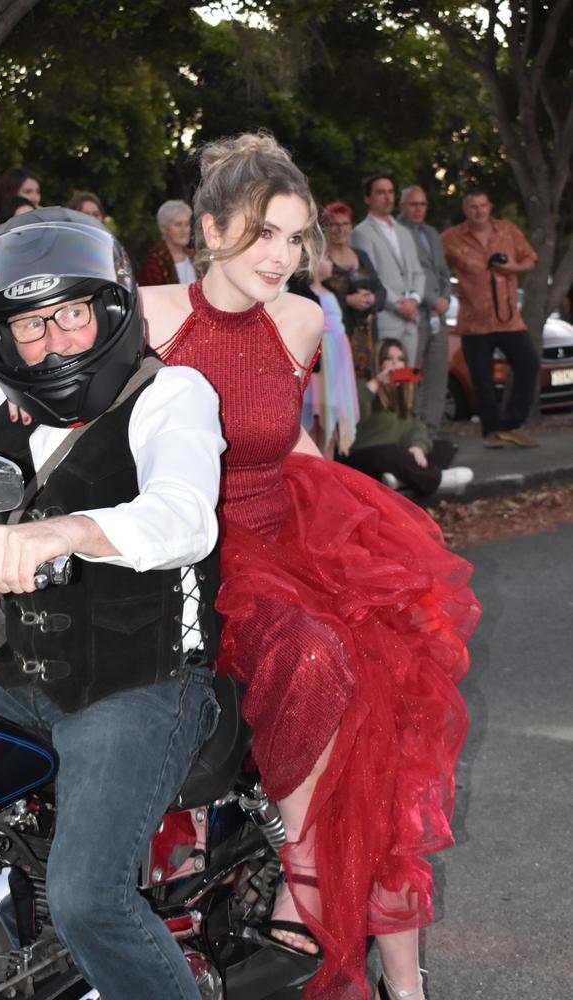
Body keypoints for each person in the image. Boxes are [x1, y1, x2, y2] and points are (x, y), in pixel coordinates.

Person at [136, 134, 480, 1000]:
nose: (283, 258)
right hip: (191, 553)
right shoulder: (146, 316)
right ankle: (308, 890)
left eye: (294, 239)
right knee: (316, 655)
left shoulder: (300, 318)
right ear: (209, 228)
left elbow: (282, 435)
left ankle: (403, 980)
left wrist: (358, 521)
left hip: (284, 532)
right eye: (263, 235)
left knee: (395, 678)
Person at [0, 207, 225, 999]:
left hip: (141, 681)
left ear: (108, 309)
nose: (55, 339)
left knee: (88, 898)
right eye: (31, 325)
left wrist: (57, 531)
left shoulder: (174, 393)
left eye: (71, 314)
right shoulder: (0, 408)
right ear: (2, 338)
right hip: (14, 671)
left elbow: (184, 517)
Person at [441, 189, 540, 448]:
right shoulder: (452, 237)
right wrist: (451, 288)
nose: (478, 211)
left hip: (508, 318)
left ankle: (512, 424)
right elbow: (433, 266)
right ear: (466, 209)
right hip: (474, 321)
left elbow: (531, 259)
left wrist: (512, 269)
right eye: (473, 206)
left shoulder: (506, 230)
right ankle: (491, 432)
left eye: (483, 206)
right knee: (481, 378)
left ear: (490, 207)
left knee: (528, 364)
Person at [342, 338, 473, 496]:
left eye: (400, 360)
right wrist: (377, 383)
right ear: (378, 362)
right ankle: (436, 480)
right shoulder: (364, 386)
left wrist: (417, 447)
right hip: (363, 454)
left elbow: (415, 427)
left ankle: (400, 480)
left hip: (397, 454)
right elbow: (354, 417)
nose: (395, 364)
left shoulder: (403, 392)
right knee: (388, 453)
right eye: (389, 359)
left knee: (444, 447)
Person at [289, 257, 359, 459]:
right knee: (317, 413)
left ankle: (329, 461)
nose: (331, 263)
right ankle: (313, 462)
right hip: (321, 361)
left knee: (333, 415)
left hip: (337, 360)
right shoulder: (302, 294)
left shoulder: (333, 291)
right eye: (326, 259)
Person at [351, 174, 425, 365]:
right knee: (387, 379)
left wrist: (414, 301)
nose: (387, 197)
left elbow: (418, 272)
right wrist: (400, 305)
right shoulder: (361, 232)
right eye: (380, 192)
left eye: (391, 192)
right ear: (368, 198)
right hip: (386, 317)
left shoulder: (404, 231)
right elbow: (371, 277)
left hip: (411, 318)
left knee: (408, 380)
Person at [398, 186, 452, 437]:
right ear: (403, 206)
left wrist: (445, 298)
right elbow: (405, 274)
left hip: (438, 316)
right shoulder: (397, 232)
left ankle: (432, 429)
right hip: (414, 313)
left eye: (422, 204)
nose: (418, 209)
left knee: (437, 374)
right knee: (411, 373)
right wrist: (431, 300)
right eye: (413, 204)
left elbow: (443, 270)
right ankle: (412, 429)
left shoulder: (431, 232)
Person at [321, 201, 386, 377]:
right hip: (336, 338)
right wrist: (347, 301)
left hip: (368, 339)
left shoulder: (362, 256)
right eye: (334, 224)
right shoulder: (320, 261)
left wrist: (372, 299)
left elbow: (381, 291)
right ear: (325, 228)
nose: (340, 229)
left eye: (345, 224)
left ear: (351, 226)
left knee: (365, 395)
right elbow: (313, 298)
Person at [138, 199, 197, 286]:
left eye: (187, 224)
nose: (184, 230)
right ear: (163, 228)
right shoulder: (154, 263)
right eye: (178, 224)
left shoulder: (195, 257)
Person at [0, 166, 41, 232]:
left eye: (38, 192)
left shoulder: (46, 217)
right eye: (27, 192)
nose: (36, 198)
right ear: (11, 193)